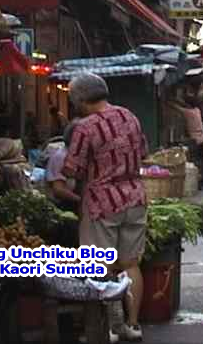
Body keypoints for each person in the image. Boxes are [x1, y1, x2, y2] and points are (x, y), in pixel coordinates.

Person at [61, 73, 148, 343]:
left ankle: (109, 328)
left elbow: (72, 169)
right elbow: (143, 150)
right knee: (131, 263)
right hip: (134, 196)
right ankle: (132, 325)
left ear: (80, 99)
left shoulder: (85, 127)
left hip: (102, 203)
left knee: (101, 266)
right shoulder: (129, 116)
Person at [168, 88, 203, 190]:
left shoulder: (188, 113)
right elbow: (182, 104)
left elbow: (177, 107)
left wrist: (169, 101)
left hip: (196, 139)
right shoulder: (197, 111)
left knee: (197, 161)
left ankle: (200, 182)